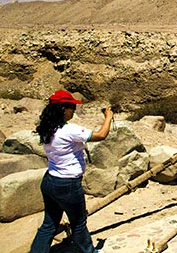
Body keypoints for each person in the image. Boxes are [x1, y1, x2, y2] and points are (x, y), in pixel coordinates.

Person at [29, 90, 114, 253]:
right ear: (63, 109)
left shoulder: (47, 127)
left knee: (50, 223)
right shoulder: (70, 130)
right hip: (67, 184)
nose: (73, 111)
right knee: (78, 223)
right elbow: (102, 135)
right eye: (71, 107)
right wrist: (108, 117)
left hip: (50, 180)